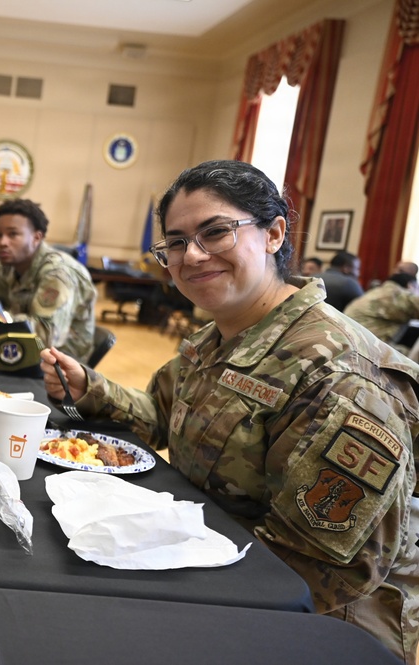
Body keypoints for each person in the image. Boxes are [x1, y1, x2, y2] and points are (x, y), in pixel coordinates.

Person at [41, 160, 418, 663]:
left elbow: (317, 571)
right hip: (216, 562)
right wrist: (91, 388)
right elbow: (159, 414)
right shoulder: (219, 335)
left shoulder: (340, 376)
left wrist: (164, 585)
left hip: (315, 626)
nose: (192, 256)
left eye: (215, 232)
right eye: (175, 242)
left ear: (274, 234)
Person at [0, 198, 97, 364]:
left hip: (58, 368)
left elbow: (46, 334)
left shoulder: (58, 274)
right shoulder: (12, 263)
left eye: (13, 234)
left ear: (36, 237)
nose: (2, 242)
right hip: (19, 352)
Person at [344, 272, 419, 351]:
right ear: (410, 285)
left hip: (353, 343)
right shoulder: (397, 294)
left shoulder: (379, 291)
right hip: (365, 349)